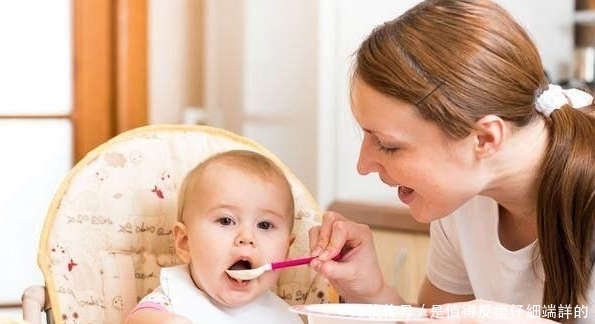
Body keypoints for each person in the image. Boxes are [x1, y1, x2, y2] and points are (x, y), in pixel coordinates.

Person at [308, 1, 595, 323]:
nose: (364, 165)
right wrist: (370, 291)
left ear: (484, 139)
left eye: (388, 145)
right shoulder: (463, 195)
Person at [125, 149, 303, 324]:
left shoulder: (284, 316)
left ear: (286, 250)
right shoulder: (172, 301)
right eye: (226, 221)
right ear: (185, 242)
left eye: (264, 225)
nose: (247, 237)